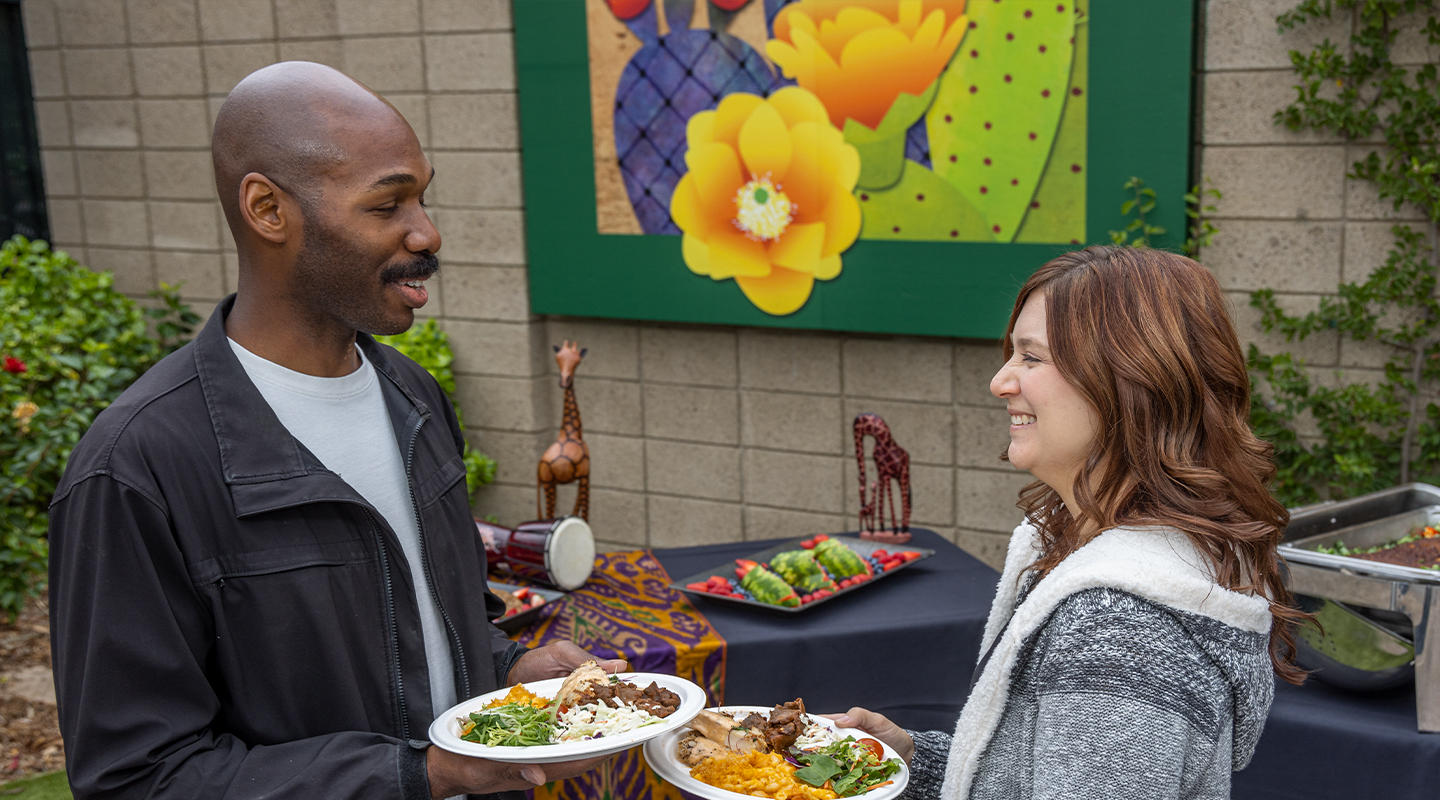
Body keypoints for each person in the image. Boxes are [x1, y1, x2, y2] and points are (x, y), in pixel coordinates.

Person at [48, 62, 620, 800]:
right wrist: (420, 775)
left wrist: (505, 664)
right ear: (267, 210)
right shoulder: (137, 467)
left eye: (423, 195)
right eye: (387, 206)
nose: (427, 230)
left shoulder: (413, 396)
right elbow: (138, 777)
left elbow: (428, 615)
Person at [832, 246, 1307, 799]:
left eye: (1032, 358)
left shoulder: (1121, 628)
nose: (1000, 382)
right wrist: (911, 762)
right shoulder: (1093, 553)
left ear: (1131, 381)